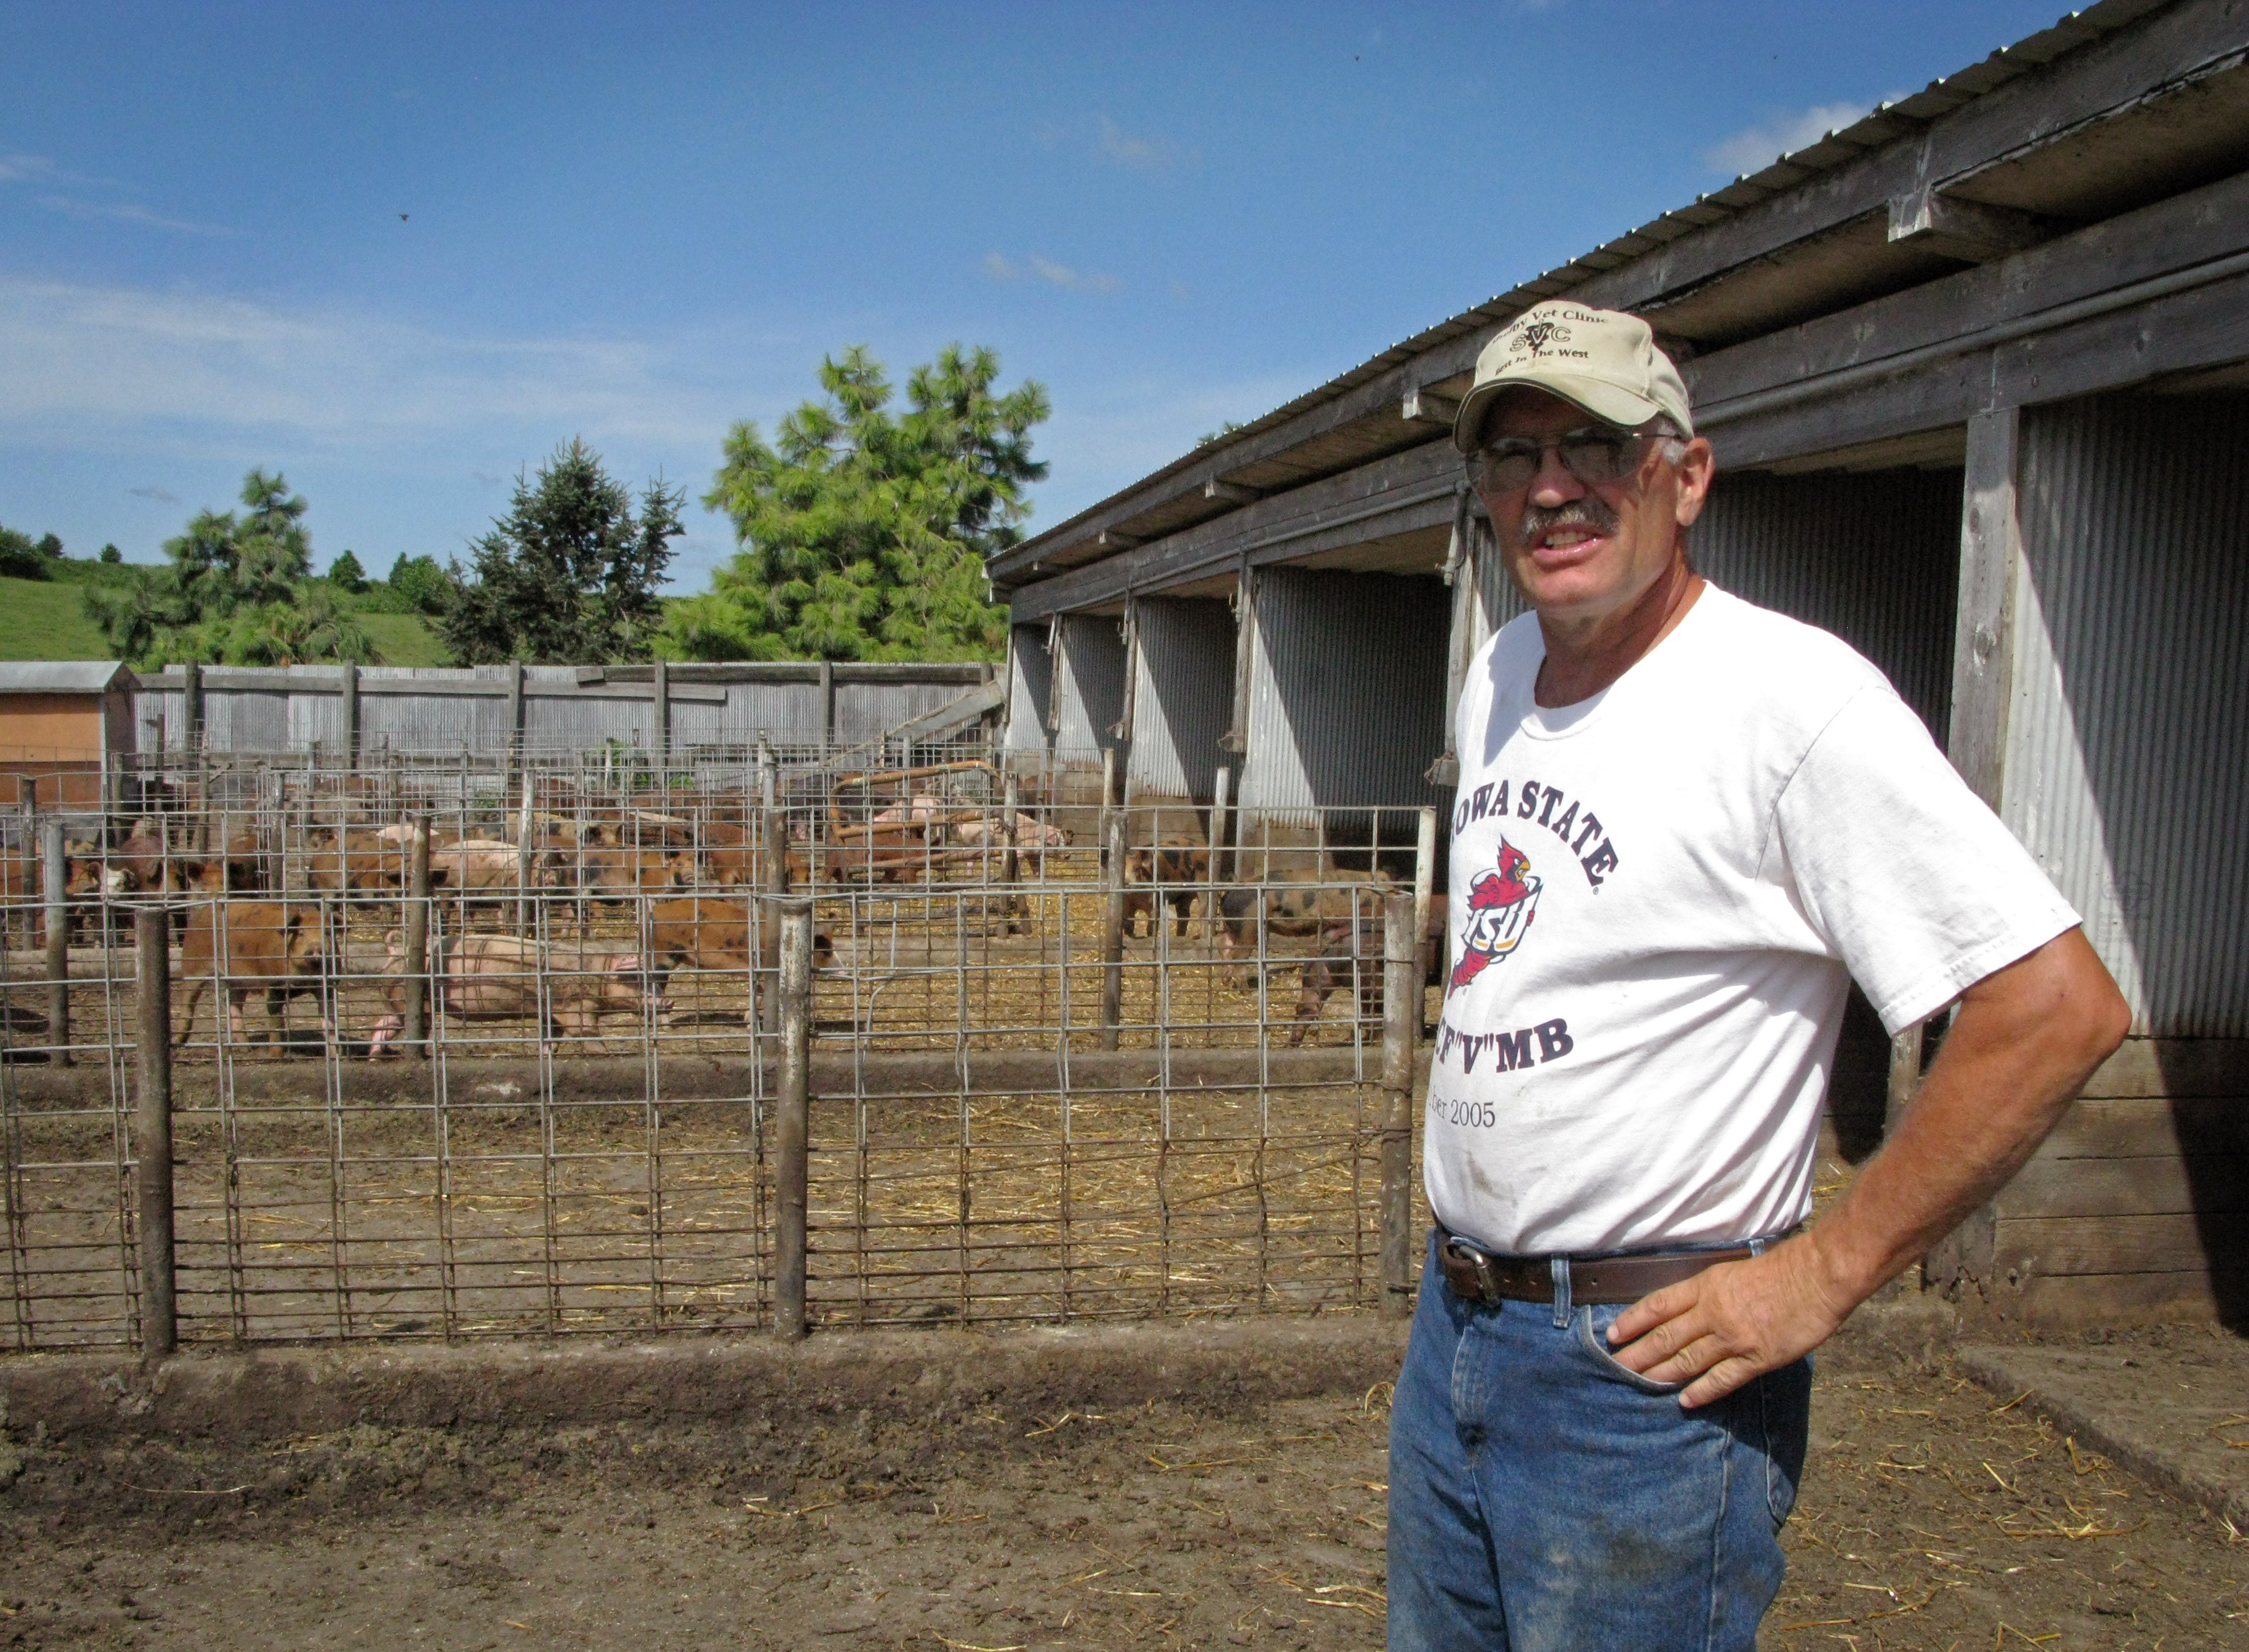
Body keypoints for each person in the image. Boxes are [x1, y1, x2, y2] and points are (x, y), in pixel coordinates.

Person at [1387, 300, 2129, 1651]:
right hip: (1458, 1333)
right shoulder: (1500, 669)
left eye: (1595, 447)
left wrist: (1820, 1274)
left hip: (1642, 1377)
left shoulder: (1787, 703)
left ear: (1685, 475)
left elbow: (2054, 1005)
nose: (1551, 488)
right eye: (1511, 456)